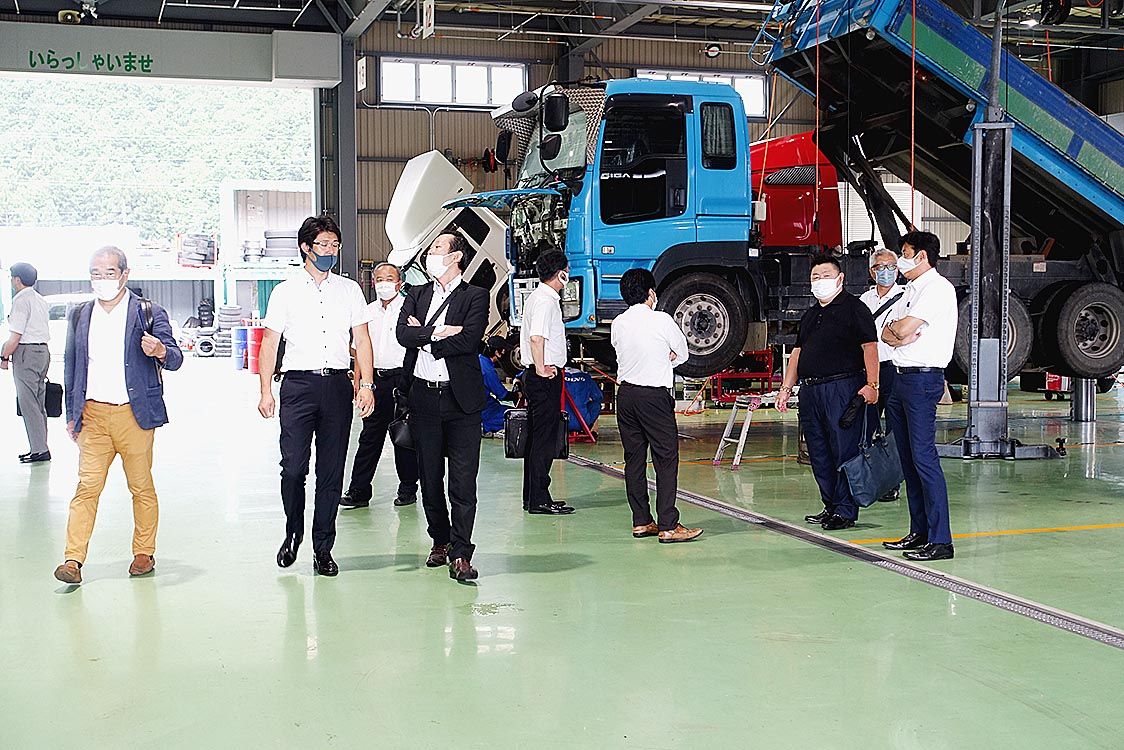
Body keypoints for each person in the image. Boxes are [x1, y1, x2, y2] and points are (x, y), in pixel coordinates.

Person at [52, 247, 184, 585]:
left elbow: (175, 359)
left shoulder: (148, 312)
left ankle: (143, 551)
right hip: (93, 415)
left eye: (108, 273)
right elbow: (72, 365)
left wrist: (159, 350)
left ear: (124, 275)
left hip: (134, 415)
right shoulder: (80, 314)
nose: (101, 280)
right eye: (95, 273)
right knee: (86, 488)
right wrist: (72, 413)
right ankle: (73, 560)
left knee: (140, 486)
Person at [258, 214, 375, 577]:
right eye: (323, 245)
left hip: (337, 386)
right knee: (293, 469)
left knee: (331, 472)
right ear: (306, 248)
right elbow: (270, 343)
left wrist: (367, 383)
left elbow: (363, 339)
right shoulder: (285, 291)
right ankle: (293, 531)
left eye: (334, 245)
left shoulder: (350, 290)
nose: (330, 251)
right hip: (297, 387)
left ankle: (323, 548)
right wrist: (265, 390)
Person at [398, 232, 489, 582]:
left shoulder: (475, 295)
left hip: (462, 400)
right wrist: (440, 332)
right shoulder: (417, 295)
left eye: (437, 248)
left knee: (463, 482)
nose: (430, 254)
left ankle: (462, 552)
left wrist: (426, 336)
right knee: (430, 477)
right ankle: (440, 540)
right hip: (423, 398)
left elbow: (469, 340)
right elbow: (402, 336)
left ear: (455, 257)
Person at [777, 254, 880, 531]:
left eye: (825, 275)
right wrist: (786, 388)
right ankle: (831, 505)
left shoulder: (854, 309)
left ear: (840, 278)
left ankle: (846, 510)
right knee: (819, 451)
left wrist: (872, 386)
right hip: (811, 391)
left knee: (844, 450)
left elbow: (870, 347)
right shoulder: (811, 315)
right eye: (815, 277)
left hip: (843, 388)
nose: (820, 281)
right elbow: (797, 352)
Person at [880, 231, 958, 561]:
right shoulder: (911, 290)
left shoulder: (937, 289)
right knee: (908, 459)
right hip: (900, 379)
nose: (900, 259)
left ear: (922, 256)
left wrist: (899, 333)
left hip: (923, 381)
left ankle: (941, 540)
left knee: (924, 458)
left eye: (905, 252)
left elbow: (899, 330)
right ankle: (919, 531)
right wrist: (899, 334)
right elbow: (888, 330)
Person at [611, 268, 702, 543]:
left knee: (634, 460)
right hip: (654, 397)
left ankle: (641, 521)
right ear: (651, 293)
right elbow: (683, 353)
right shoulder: (661, 320)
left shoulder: (618, 323)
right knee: (665, 459)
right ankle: (668, 524)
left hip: (625, 396)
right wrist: (666, 358)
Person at [341, 262, 419, 509]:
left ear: (400, 283)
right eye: (379, 279)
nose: (384, 283)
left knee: (403, 437)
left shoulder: (409, 311)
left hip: (403, 381)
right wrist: (360, 382)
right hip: (374, 381)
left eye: (390, 278)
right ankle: (359, 491)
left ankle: (408, 489)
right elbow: (358, 350)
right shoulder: (367, 312)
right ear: (373, 283)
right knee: (369, 438)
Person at [519, 250, 575, 516]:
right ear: (559, 272)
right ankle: (539, 499)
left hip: (540, 374)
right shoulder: (545, 301)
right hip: (544, 377)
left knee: (537, 438)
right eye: (567, 269)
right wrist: (541, 368)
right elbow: (537, 338)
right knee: (544, 439)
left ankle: (533, 496)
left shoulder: (540, 298)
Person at [860, 248, 905, 502]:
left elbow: (903, 336)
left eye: (891, 267)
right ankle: (871, 479)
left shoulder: (906, 297)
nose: (886, 272)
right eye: (880, 267)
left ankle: (892, 483)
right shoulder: (864, 300)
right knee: (868, 425)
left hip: (893, 369)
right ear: (871, 271)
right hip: (869, 370)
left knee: (894, 430)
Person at [3, 262, 51, 463]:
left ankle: (39, 450)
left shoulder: (21, 301)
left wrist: (4, 357)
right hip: (43, 352)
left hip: (26, 354)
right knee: (38, 403)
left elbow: (15, 337)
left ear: (17, 280)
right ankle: (40, 447)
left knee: (28, 403)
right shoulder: (40, 300)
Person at [479, 335, 515, 437]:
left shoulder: (481, 360)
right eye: (503, 351)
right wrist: (517, 395)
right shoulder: (488, 371)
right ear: (497, 353)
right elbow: (502, 395)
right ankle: (484, 426)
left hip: (484, 403)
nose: (504, 353)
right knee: (512, 416)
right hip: (484, 410)